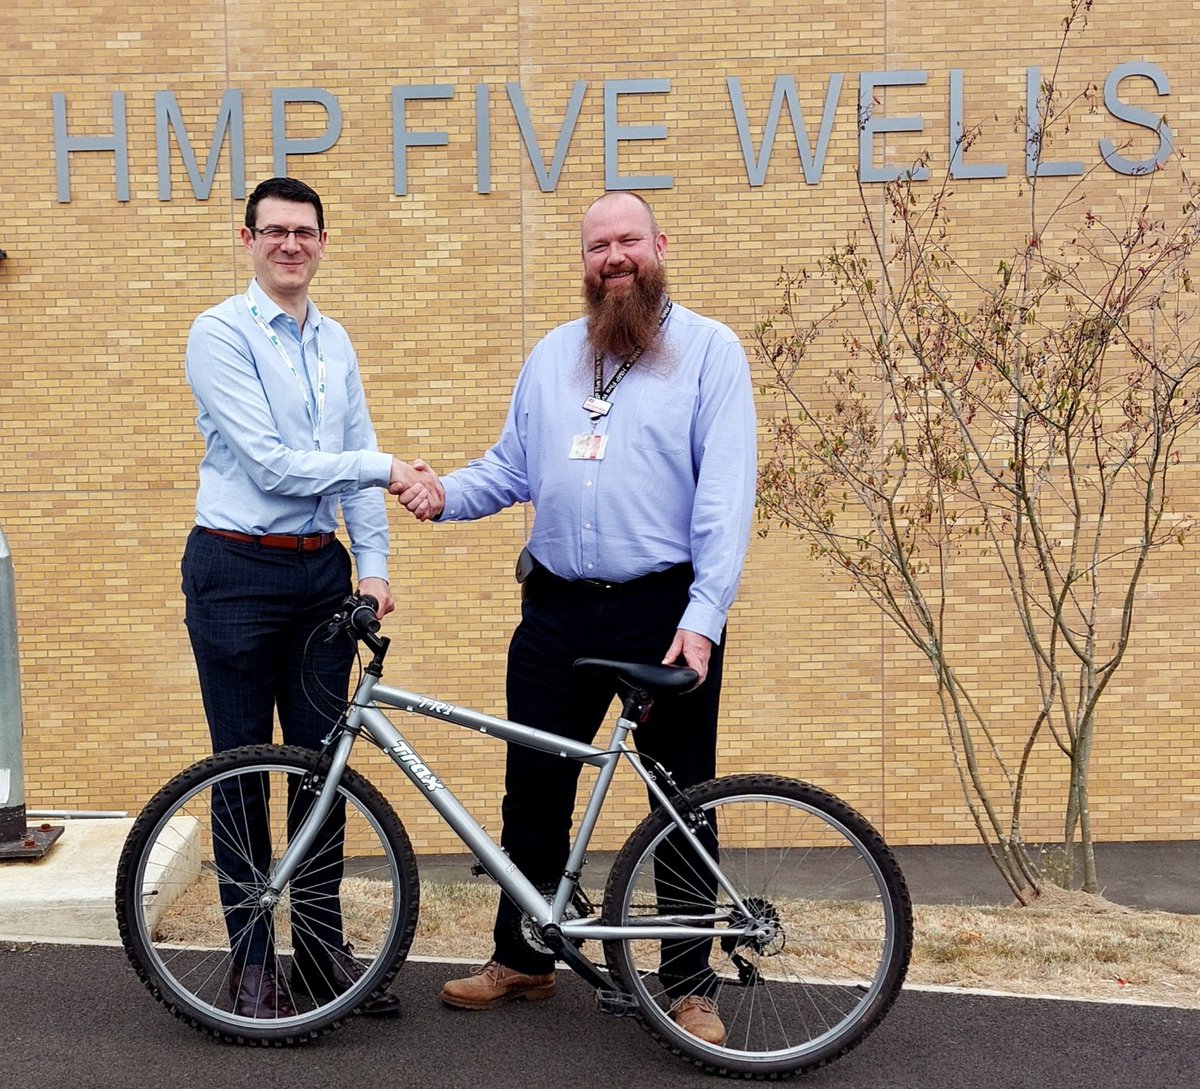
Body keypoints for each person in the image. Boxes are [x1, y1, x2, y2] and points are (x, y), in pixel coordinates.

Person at [394, 192, 756, 1045]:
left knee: (680, 796)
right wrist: (443, 493)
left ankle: (689, 983)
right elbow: (510, 468)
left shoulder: (709, 352)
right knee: (534, 788)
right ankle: (522, 957)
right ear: (586, 260)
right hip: (555, 607)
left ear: (660, 246)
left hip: (662, 609)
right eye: (599, 246)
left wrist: (703, 616)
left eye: (629, 240)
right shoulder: (555, 354)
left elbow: (726, 499)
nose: (614, 257)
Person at [182, 176, 436, 1019]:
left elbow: (354, 450)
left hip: (319, 574)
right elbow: (270, 463)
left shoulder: (335, 343)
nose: (292, 244)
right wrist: (385, 468)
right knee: (244, 768)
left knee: (324, 770)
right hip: (236, 573)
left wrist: (375, 565)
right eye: (276, 230)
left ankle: (325, 953)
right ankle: (253, 963)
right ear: (247, 238)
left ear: (323, 242)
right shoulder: (219, 333)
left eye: (307, 232)